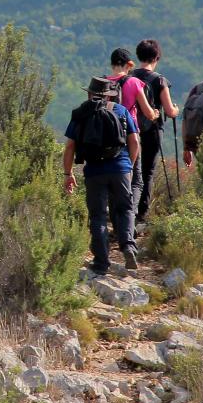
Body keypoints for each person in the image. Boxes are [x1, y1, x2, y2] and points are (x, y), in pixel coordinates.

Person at [63, 76, 140, 273]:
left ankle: (101, 262)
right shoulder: (121, 111)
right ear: (108, 96)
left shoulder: (81, 114)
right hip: (120, 168)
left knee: (97, 215)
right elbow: (135, 142)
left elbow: (70, 146)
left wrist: (68, 173)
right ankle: (128, 246)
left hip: (94, 171)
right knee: (125, 209)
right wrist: (128, 166)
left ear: (89, 93)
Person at [107, 47, 160, 230]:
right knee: (136, 179)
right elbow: (148, 113)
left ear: (112, 64)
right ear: (130, 64)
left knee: (112, 181)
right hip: (130, 137)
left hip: (106, 140)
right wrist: (155, 114)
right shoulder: (134, 83)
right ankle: (130, 219)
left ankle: (116, 223)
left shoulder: (103, 83)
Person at [130, 38, 180, 224]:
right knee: (147, 171)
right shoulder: (159, 80)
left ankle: (126, 211)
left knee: (130, 170)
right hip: (152, 131)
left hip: (130, 130)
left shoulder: (129, 78)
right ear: (157, 57)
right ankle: (141, 214)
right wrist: (176, 110)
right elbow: (168, 110)